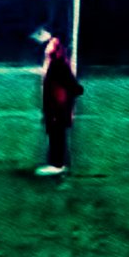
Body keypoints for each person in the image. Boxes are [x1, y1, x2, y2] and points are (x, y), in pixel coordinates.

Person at [33, 27, 85, 176]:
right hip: (54, 105)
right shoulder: (54, 63)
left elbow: (70, 84)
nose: (47, 46)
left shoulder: (58, 64)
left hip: (58, 105)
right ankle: (56, 162)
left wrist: (75, 89)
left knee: (57, 134)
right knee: (54, 133)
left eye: (51, 43)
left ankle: (57, 164)